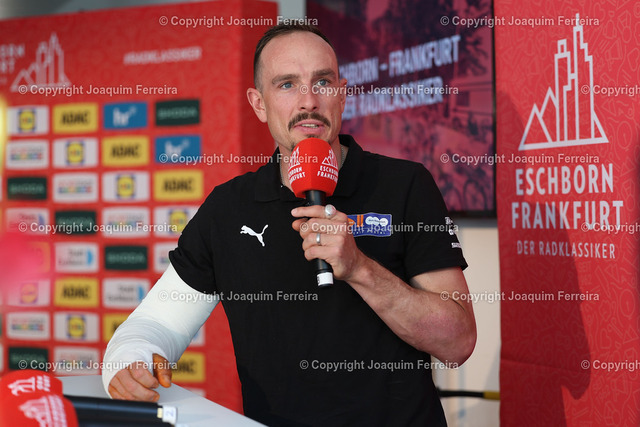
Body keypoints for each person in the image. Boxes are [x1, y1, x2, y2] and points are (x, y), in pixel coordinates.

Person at [103, 23, 476, 426]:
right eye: (287, 85)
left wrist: (359, 268)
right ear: (259, 104)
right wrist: (132, 360)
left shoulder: (405, 185)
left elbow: (457, 342)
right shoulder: (228, 208)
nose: (308, 101)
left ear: (342, 94)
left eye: (323, 82)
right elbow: (157, 322)